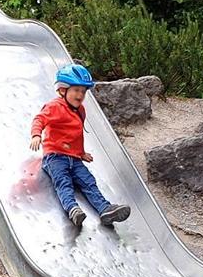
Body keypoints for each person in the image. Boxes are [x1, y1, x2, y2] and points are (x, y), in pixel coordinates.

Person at [30, 64, 131, 227]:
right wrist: (36, 135)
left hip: (74, 158)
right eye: (76, 90)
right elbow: (39, 119)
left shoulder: (80, 110)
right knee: (63, 182)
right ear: (63, 90)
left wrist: (81, 153)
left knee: (88, 181)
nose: (80, 95)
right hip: (55, 156)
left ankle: (105, 209)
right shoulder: (55, 107)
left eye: (83, 91)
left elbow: (76, 135)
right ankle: (72, 209)